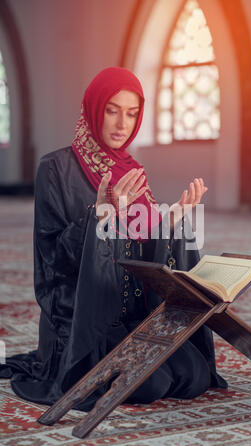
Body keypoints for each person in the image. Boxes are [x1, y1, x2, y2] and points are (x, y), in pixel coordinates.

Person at [0, 67, 227, 411]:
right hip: (81, 316)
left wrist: (173, 223)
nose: (122, 124)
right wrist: (101, 214)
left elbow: (144, 254)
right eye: (112, 110)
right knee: (150, 383)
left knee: (192, 375)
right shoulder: (55, 169)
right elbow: (52, 258)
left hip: (131, 310)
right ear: (94, 109)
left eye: (132, 113)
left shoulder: (132, 171)